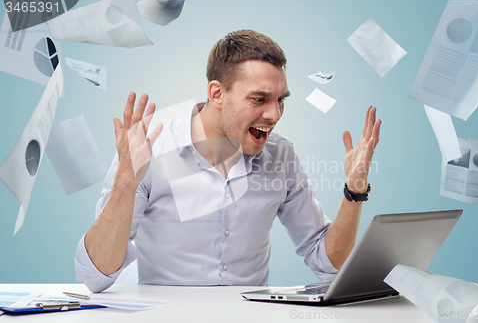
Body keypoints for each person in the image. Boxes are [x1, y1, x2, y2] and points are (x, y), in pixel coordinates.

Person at [75, 30, 381, 293]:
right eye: (259, 99)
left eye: (281, 100)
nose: (274, 115)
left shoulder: (281, 155)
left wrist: (355, 189)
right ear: (217, 93)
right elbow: (94, 277)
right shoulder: (147, 151)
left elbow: (328, 263)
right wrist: (127, 180)